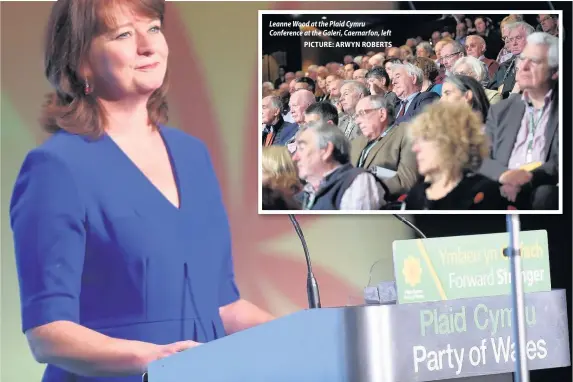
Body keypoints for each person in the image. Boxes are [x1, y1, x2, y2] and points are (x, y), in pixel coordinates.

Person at [9, 1, 274, 381]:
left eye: (153, 28)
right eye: (122, 34)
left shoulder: (193, 154)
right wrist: (154, 358)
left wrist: (310, 334)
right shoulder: (57, 168)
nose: (148, 46)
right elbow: (48, 335)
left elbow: (224, 306)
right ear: (81, 61)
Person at [404, 102, 508, 210]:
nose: (415, 148)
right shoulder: (416, 195)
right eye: (415, 141)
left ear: (452, 141)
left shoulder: (485, 193)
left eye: (425, 138)